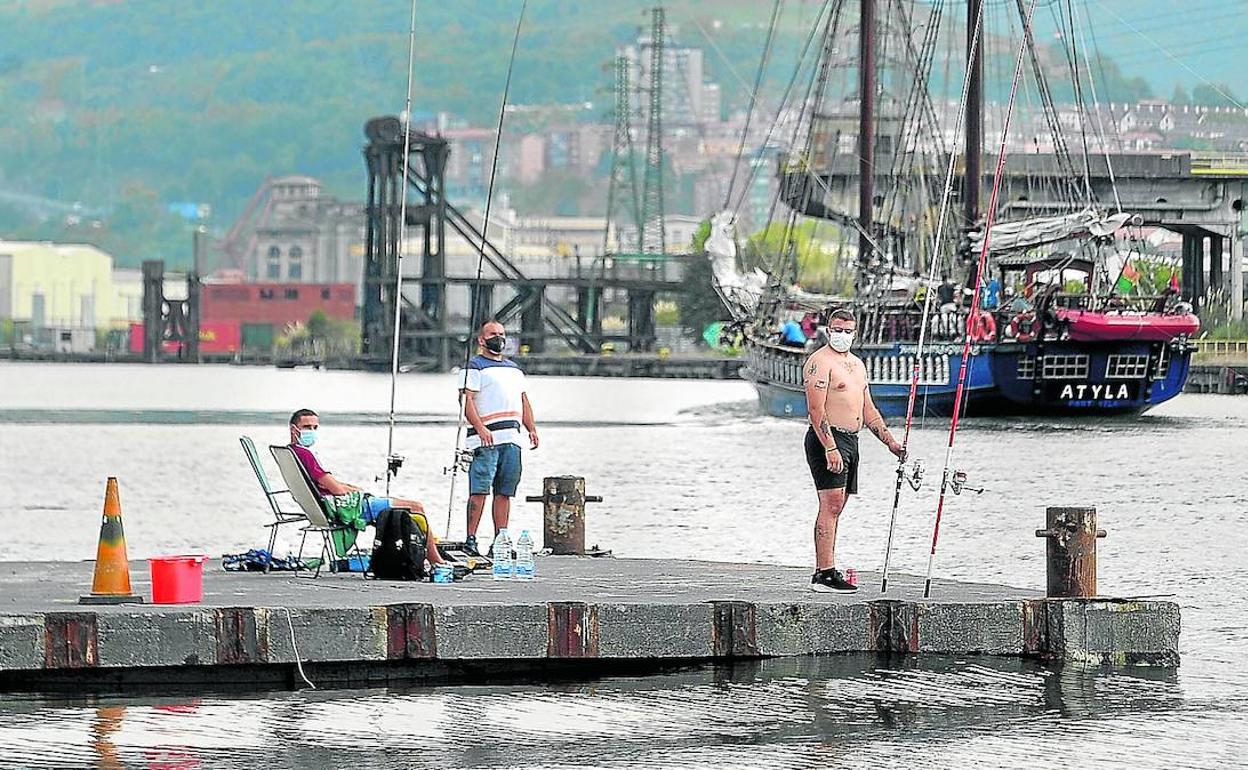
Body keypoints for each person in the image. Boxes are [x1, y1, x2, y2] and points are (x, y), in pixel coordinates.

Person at [802, 309, 905, 593]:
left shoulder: (858, 365)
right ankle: (824, 574)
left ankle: (827, 568)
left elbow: (868, 409)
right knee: (831, 505)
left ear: (855, 333)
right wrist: (830, 448)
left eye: (848, 331)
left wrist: (890, 442)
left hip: (852, 439)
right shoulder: (820, 363)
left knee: (839, 506)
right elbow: (815, 409)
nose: (842, 336)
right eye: (837, 330)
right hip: (828, 438)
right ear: (828, 329)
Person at [287, 409, 446, 565]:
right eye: (307, 427)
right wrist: (355, 491)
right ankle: (437, 562)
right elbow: (338, 490)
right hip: (346, 508)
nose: (312, 431)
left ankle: (419, 557)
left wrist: (347, 488)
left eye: (315, 428)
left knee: (402, 509)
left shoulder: (291, 453)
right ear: (294, 429)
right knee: (416, 507)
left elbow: (325, 483)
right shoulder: (306, 455)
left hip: (321, 508)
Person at [460, 320, 539, 556]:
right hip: (484, 441)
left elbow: (523, 400)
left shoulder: (515, 370)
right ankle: (471, 539)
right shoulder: (474, 367)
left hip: (511, 439)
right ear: (482, 340)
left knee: (505, 491)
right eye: (493, 334)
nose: (499, 338)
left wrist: (531, 428)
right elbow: (467, 401)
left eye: (502, 334)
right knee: (480, 490)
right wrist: (480, 427)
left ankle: (500, 540)